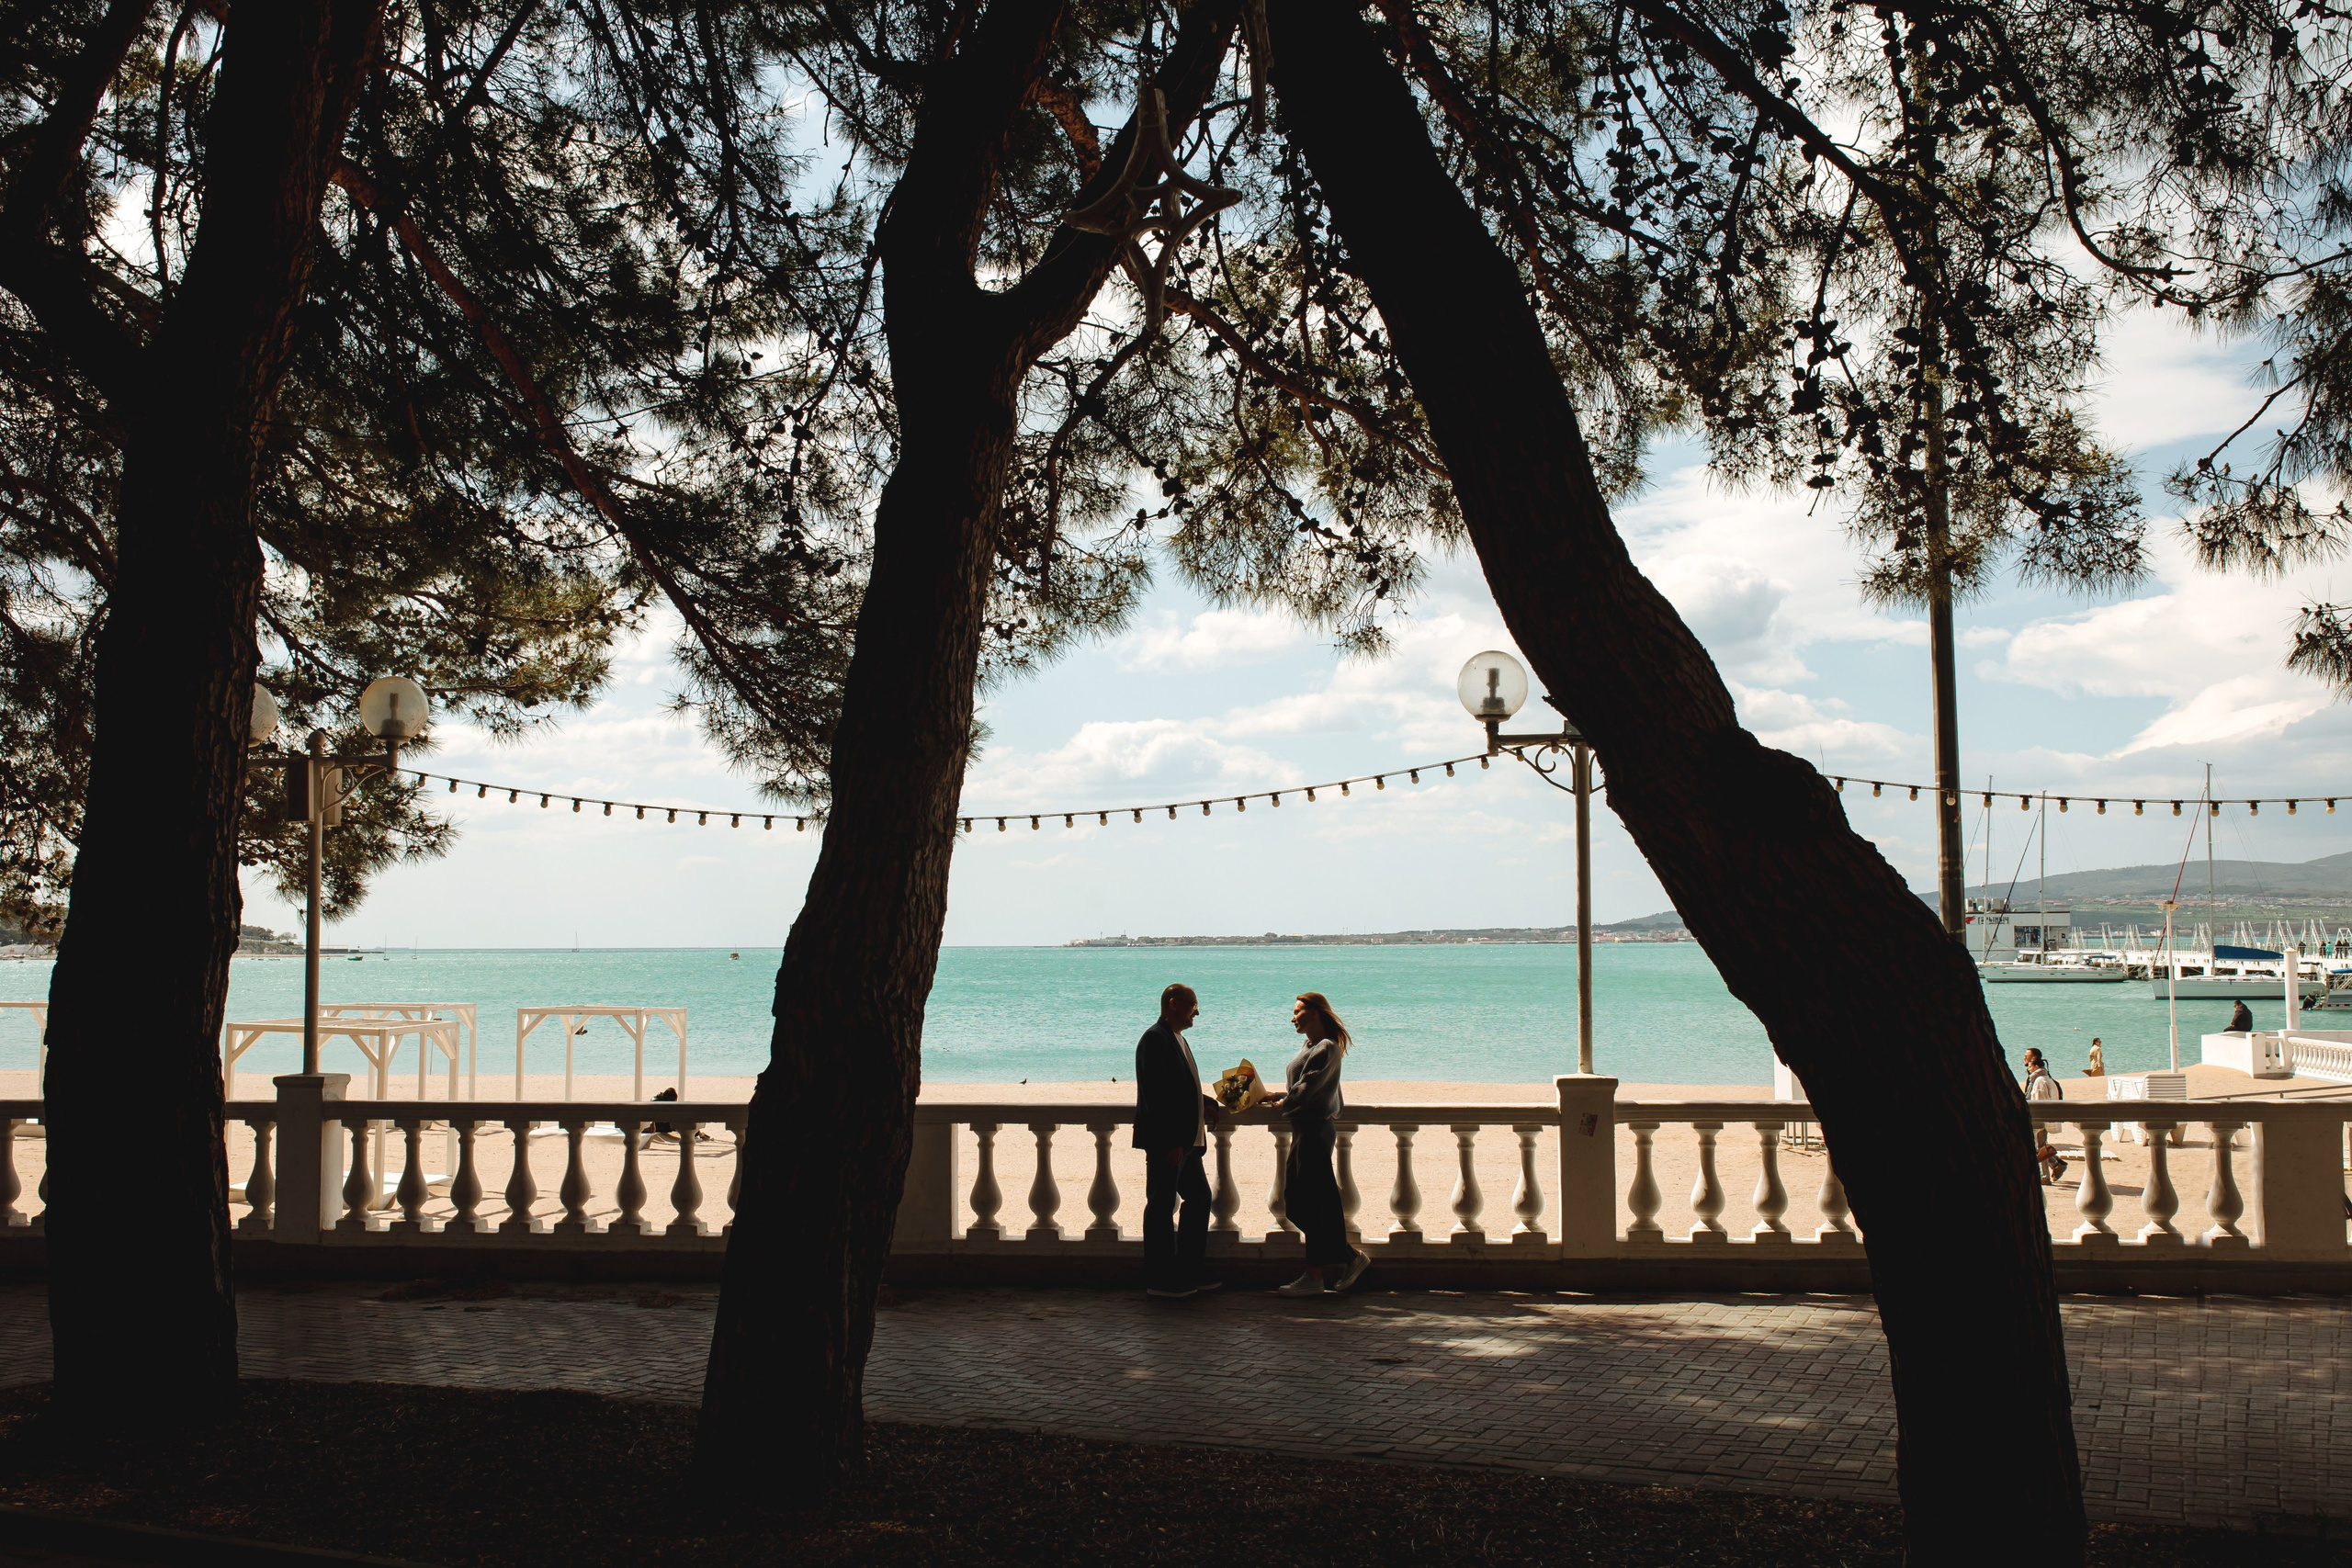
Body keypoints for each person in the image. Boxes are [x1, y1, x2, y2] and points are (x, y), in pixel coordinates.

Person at [1261, 992, 1372, 1296]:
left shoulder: (1326, 1048)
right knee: (1303, 1202)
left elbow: (1308, 1088)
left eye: (1298, 1012)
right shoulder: (1310, 1046)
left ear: (1316, 1013)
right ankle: (1348, 1257)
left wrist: (1282, 1103)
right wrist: (1275, 1096)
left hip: (1314, 1130)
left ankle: (1316, 1274)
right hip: (1304, 1129)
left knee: (1308, 1202)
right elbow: (1302, 1087)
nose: (1292, 1018)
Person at [1135, 983, 1223, 1300]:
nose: (1197, 1012)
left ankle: (1188, 1267)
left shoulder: (1176, 1039)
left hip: (1188, 1143)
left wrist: (1205, 1103)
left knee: (1199, 1198)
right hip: (1171, 1144)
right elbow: (1155, 1094)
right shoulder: (1154, 1039)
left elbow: (1180, 1088)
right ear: (1174, 1004)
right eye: (1193, 1005)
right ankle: (1159, 1277)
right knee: (1161, 1205)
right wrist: (1171, 1141)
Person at [2021, 1048, 2065, 1184]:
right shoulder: (2043, 1078)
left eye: (2030, 1066)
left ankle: (2045, 1175)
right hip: (2042, 1118)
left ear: (2035, 1065)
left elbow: (2039, 1102)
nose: (2028, 1068)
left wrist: (2035, 1118)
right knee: (2040, 1146)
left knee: (2039, 1146)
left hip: (2039, 1119)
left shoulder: (2039, 1080)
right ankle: (2056, 1164)